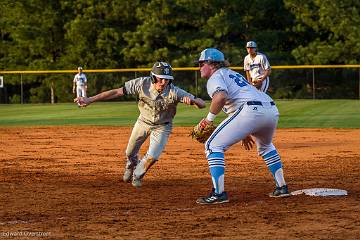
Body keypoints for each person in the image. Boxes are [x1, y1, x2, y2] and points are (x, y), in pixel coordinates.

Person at [74, 61, 206, 187]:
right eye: (160, 78)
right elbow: (116, 92)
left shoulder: (174, 91)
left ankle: (138, 174)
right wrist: (90, 99)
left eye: (167, 79)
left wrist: (194, 102)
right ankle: (131, 164)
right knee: (130, 152)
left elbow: (202, 103)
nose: (164, 82)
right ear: (153, 77)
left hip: (163, 125)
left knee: (153, 156)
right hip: (143, 121)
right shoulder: (141, 83)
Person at [195, 48, 289, 205]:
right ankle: (282, 187)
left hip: (250, 111)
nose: (199, 67)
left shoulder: (215, 77)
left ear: (211, 64)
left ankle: (218, 194)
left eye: (201, 64)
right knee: (266, 146)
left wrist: (209, 119)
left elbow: (220, 97)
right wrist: (244, 133)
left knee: (212, 145)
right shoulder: (232, 74)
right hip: (270, 108)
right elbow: (236, 104)